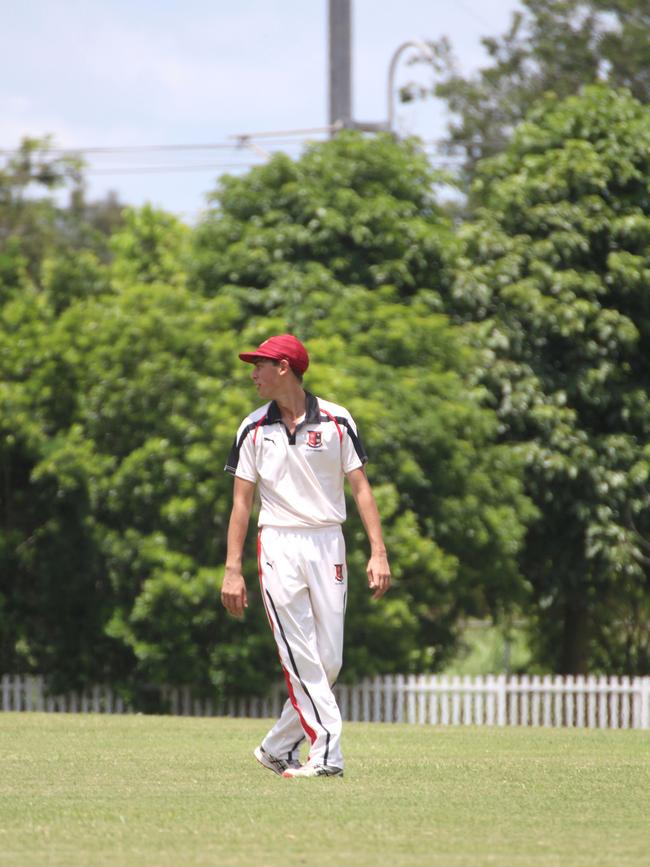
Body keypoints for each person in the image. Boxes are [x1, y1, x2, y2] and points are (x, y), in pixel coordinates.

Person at [221, 333, 391, 778]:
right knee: (299, 654)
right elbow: (242, 504)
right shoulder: (253, 428)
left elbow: (360, 488)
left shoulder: (337, 420)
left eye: (260, 364)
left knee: (327, 660)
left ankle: (276, 747)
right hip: (277, 542)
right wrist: (232, 570)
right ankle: (327, 752)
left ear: (284, 368)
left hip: (328, 542)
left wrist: (378, 552)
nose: (252, 373)